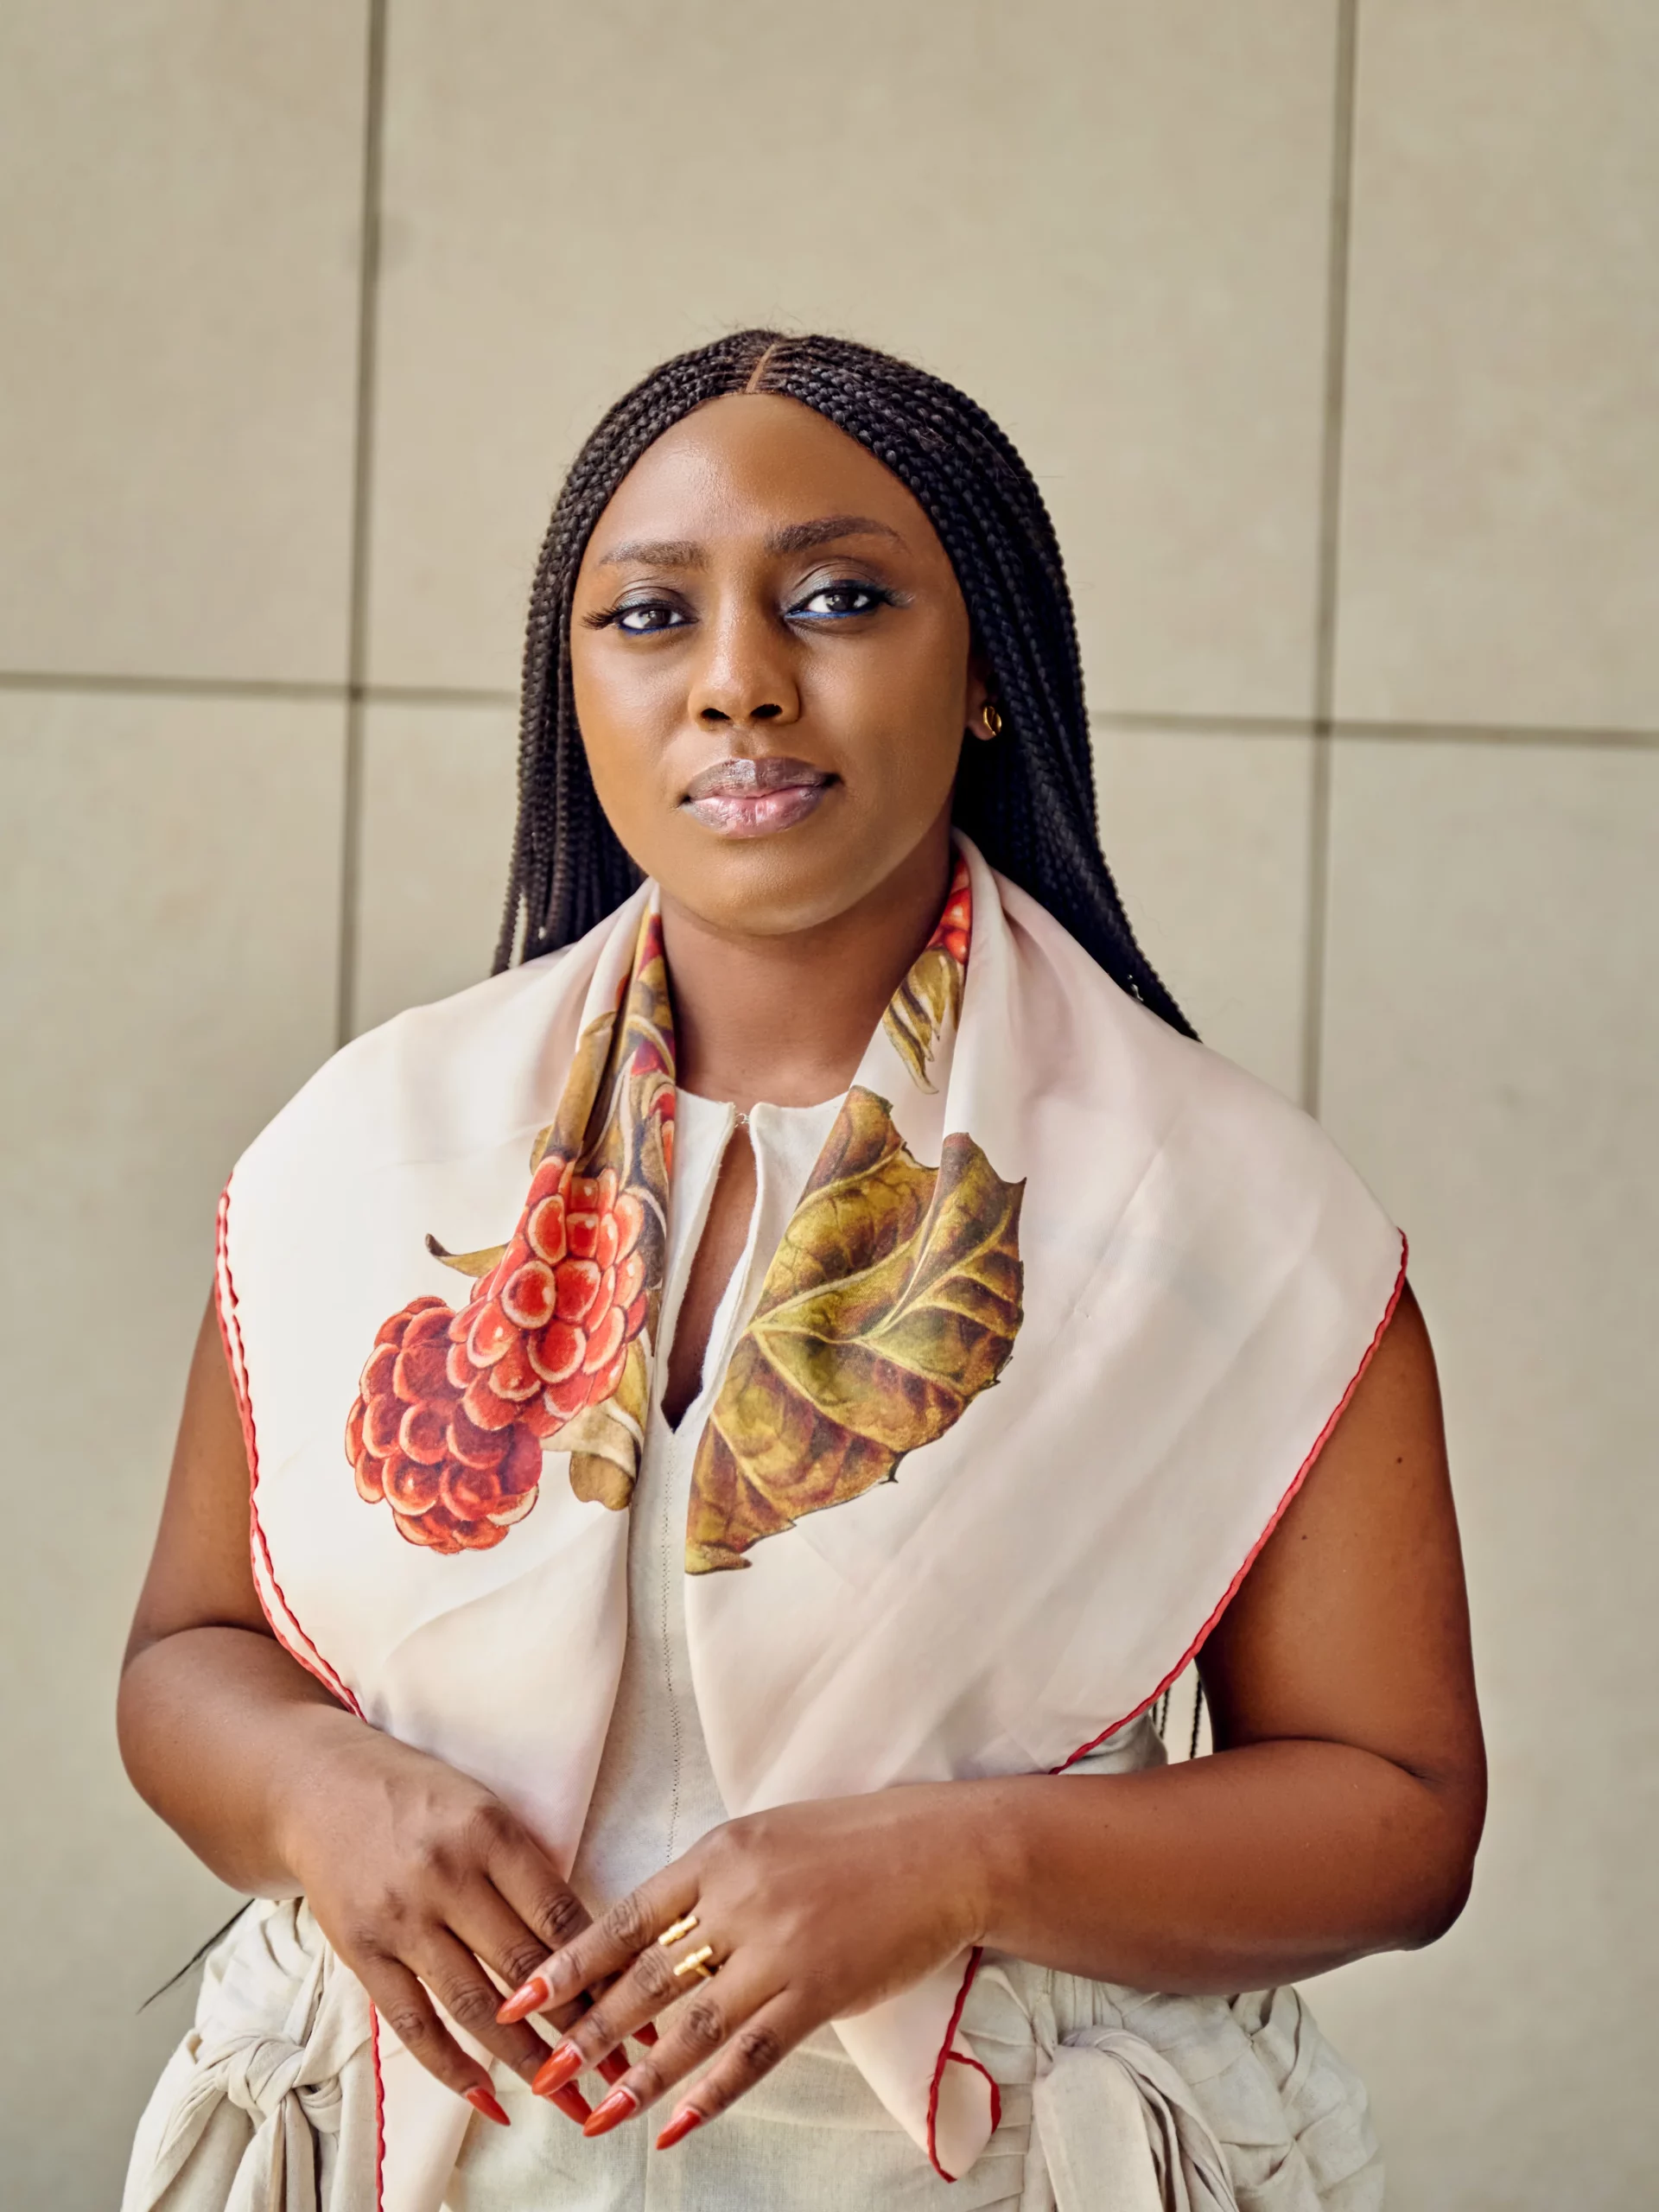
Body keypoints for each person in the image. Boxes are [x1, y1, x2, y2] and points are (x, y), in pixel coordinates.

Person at [118, 331, 1484, 2212]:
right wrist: (311, 1789)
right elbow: (186, 1655)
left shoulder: (1224, 1215)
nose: (739, 680)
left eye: (840, 599)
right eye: (650, 615)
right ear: (575, 689)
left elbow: (1401, 1815)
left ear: (989, 669)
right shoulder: (364, 1158)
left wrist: (965, 1862)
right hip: (394, 2160)